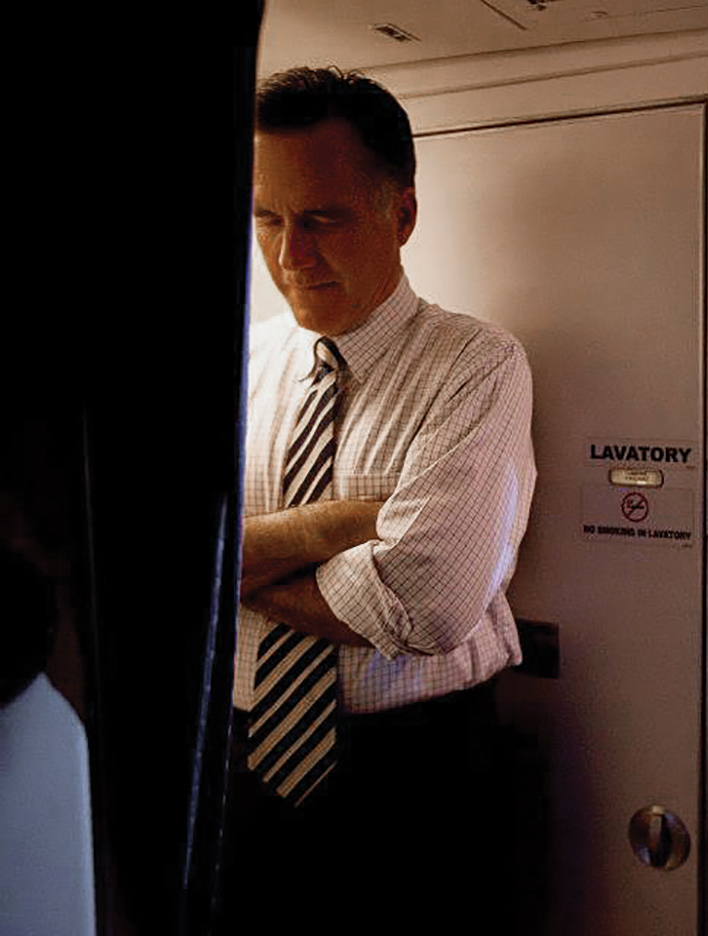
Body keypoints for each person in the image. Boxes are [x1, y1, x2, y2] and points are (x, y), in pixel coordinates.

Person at [218, 66, 536, 934]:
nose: (290, 256)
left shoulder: (477, 366)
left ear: (401, 216)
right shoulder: (238, 365)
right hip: (238, 756)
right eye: (268, 220)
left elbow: (425, 602)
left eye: (321, 218)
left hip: (419, 769)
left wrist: (228, 570)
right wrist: (331, 527)